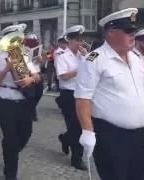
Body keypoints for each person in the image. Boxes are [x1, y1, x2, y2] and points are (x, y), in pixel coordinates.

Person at [75, 8, 144, 180]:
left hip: (138, 136)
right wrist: (88, 131)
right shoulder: (95, 59)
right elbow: (83, 97)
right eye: (128, 31)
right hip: (111, 136)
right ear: (111, 33)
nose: (133, 36)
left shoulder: (136, 59)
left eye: (134, 31)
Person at [0, 24, 40, 180]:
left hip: (22, 100)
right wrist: (5, 69)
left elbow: (37, 76)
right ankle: (10, 173)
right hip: (4, 101)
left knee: (26, 133)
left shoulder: (23, 56)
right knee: (11, 138)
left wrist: (31, 78)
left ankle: (10, 152)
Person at [54, 25, 87, 170]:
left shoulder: (83, 56)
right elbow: (64, 76)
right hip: (68, 95)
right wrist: (81, 68)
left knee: (81, 126)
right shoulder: (62, 56)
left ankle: (65, 138)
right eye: (77, 40)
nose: (80, 43)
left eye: (81, 40)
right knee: (76, 128)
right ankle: (77, 159)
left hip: (82, 94)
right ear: (69, 41)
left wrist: (87, 58)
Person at [24, 33, 44, 121]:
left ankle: (30, 108)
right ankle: (32, 113)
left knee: (39, 93)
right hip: (28, 73)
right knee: (31, 95)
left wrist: (40, 60)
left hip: (37, 72)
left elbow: (41, 63)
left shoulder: (38, 49)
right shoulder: (24, 50)